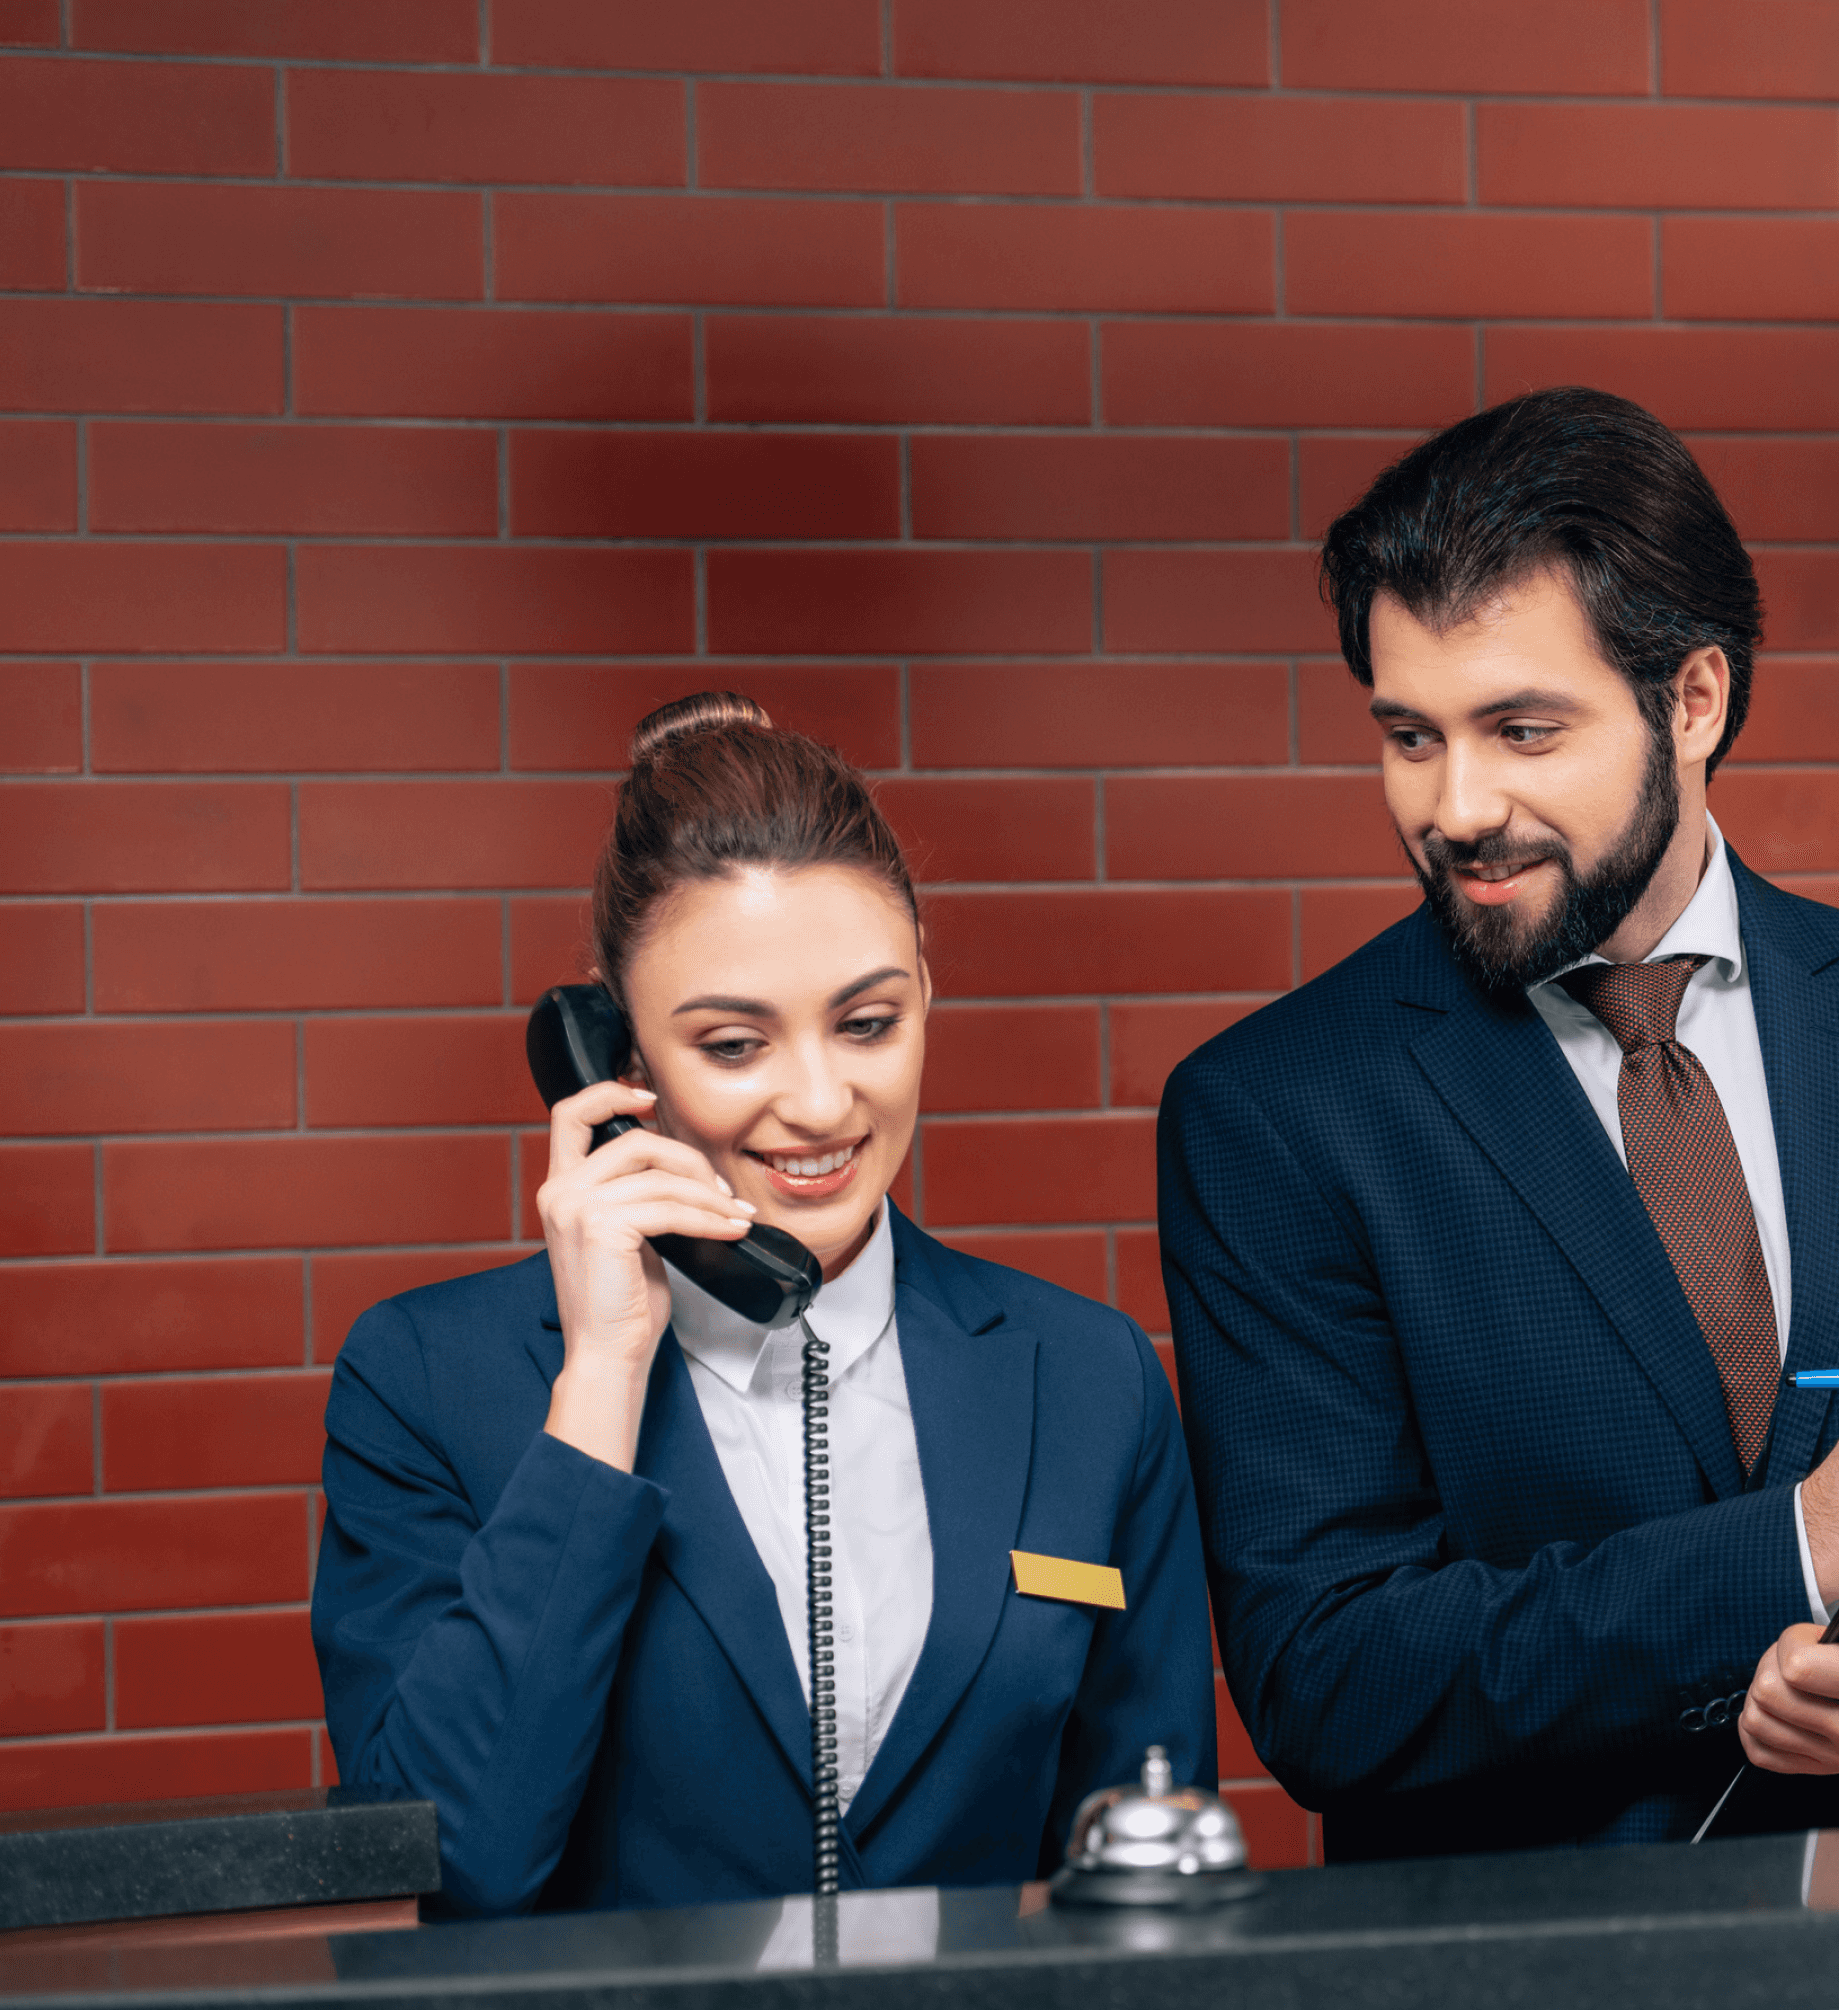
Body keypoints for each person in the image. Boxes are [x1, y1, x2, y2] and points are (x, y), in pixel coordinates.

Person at [1158, 389, 1839, 1860]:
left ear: (1693, 701)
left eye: (1523, 730)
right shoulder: (1276, 1114)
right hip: (1538, 1972)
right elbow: (1331, 1679)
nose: (1457, 805)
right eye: (1411, 736)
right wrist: (1800, 1548)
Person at [312, 694, 1213, 1917]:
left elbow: (1149, 1871)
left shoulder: (1090, 1376)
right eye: (734, 1044)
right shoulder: (425, 1377)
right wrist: (602, 1377)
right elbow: (454, 1856)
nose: (822, 1102)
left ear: (926, 988)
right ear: (616, 1054)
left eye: (868, 1022)